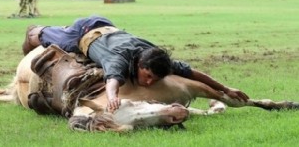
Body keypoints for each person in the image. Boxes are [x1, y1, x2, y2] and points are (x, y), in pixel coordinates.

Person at [22, 15, 249, 112]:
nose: (149, 82)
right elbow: (112, 80)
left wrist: (225, 89)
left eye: (154, 79)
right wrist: (112, 98)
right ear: (139, 64)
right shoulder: (119, 58)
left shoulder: (158, 61)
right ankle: (31, 32)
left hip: (110, 26)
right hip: (83, 32)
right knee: (38, 36)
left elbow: (193, 73)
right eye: (147, 76)